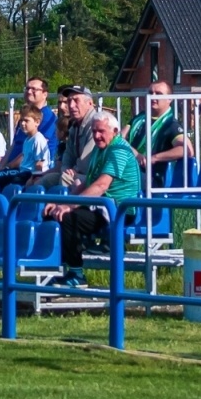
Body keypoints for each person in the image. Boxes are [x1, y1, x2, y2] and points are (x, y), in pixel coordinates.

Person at [41, 108, 141, 288]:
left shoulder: (118, 150)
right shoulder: (100, 149)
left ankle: (76, 274)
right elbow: (90, 182)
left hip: (119, 210)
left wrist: (70, 207)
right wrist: (62, 203)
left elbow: (101, 185)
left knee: (69, 217)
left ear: (115, 132)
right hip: (101, 206)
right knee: (51, 213)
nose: (97, 135)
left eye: (101, 131)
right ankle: (54, 268)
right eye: (94, 131)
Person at [125, 82, 188, 190]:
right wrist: (136, 155)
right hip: (130, 169)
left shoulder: (170, 124)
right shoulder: (139, 118)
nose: (153, 97)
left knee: (108, 180)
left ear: (169, 99)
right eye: (150, 93)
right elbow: (118, 138)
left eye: (158, 94)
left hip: (151, 177)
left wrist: (154, 158)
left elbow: (186, 149)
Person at [39, 85, 99, 189]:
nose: (71, 105)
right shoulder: (75, 126)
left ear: (89, 103)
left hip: (95, 176)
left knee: (65, 180)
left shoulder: (96, 124)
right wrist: (65, 169)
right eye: (69, 101)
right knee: (45, 180)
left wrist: (73, 170)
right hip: (77, 173)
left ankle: (66, 205)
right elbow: (68, 155)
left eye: (76, 100)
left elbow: (87, 160)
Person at [9, 77, 60, 159]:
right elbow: (14, 144)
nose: (29, 91)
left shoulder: (47, 117)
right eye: (27, 88)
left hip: (30, 167)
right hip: (12, 167)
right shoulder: (25, 116)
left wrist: (9, 166)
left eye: (34, 89)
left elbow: (32, 151)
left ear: (45, 94)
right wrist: (1, 166)